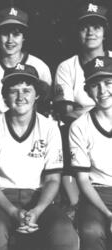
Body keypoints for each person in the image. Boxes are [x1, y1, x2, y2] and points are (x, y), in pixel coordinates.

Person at [0, 63, 79, 250]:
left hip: (39, 197)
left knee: (65, 235)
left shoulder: (49, 128)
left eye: (27, 90)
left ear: (37, 94)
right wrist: (13, 212)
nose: (20, 96)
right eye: (13, 91)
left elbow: (53, 180)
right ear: (5, 96)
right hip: (2, 198)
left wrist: (38, 210)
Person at [53, 2, 111, 213]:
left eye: (96, 27)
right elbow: (65, 112)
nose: (91, 32)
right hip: (79, 128)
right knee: (68, 130)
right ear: (78, 32)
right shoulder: (67, 66)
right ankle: (75, 201)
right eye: (85, 27)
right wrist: (94, 120)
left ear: (105, 32)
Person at [0, 6, 52, 126]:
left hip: (27, 128)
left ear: (24, 37)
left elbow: (45, 105)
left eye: (16, 34)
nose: (10, 40)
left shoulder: (39, 66)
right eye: (5, 34)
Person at [69, 56, 112, 250]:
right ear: (87, 90)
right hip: (98, 194)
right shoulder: (79, 126)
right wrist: (109, 214)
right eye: (95, 85)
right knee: (92, 231)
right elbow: (83, 180)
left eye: (108, 83)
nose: (103, 91)